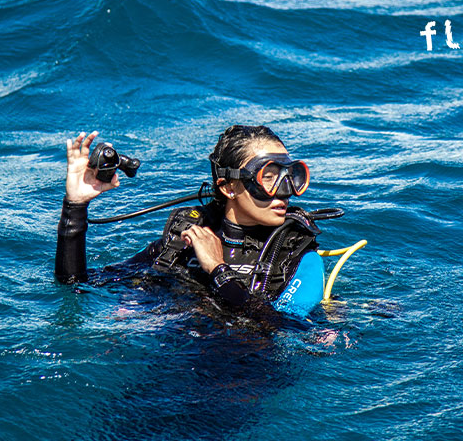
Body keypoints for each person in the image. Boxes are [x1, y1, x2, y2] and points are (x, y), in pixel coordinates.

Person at [55, 125, 325, 314]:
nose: (285, 190)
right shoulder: (186, 237)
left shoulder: (296, 254)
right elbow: (76, 284)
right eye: (269, 177)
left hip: (244, 372)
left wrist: (218, 269)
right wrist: (75, 206)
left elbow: (280, 329)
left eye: (291, 176)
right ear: (228, 187)